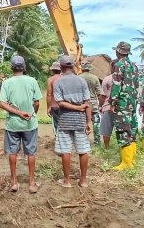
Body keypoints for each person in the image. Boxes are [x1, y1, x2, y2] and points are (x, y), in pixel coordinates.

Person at [0, 55, 42, 194]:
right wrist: (30, 113)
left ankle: (14, 183)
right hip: (30, 124)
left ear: (11, 67)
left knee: (12, 151)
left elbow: (2, 104)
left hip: (12, 124)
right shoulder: (32, 81)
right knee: (31, 152)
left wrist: (17, 113)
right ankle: (31, 183)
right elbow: (37, 103)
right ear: (24, 67)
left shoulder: (7, 83)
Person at [53, 55, 91, 188]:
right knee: (83, 150)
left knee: (65, 150)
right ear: (73, 66)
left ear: (61, 67)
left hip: (65, 120)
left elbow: (60, 103)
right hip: (80, 120)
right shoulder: (81, 81)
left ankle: (67, 180)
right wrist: (88, 121)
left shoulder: (58, 82)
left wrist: (76, 107)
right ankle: (83, 181)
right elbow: (87, 103)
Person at [109, 41, 140, 171]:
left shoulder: (119, 65)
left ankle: (126, 163)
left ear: (118, 52)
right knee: (132, 130)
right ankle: (131, 161)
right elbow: (137, 85)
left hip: (122, 103)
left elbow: (116, 85)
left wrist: (112, 102)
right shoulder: (134, 66)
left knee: (123, 131)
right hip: (132, 102)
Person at [79, 62, 104, 146]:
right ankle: (97, 141)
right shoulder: (95, 78)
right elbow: (99, 94)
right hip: (93, 104)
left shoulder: (78, 78)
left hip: (82, 104)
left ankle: (83, 141)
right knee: (96, 123)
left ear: (82, 68)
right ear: (89, 69)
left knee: (83, 122)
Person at [98, 59, 117, 148]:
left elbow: (102, 96)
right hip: (122, 108)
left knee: (106, 130)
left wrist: (100, 106)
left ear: (112, 67)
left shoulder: (108, 79)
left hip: (108, 107)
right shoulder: (126, 79)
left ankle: (107, 147)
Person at [46, 61, 62, 136]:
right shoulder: (65, 78)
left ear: (52, 70)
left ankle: (58, 140)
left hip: (54, 106)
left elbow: (49, 94)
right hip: (65, 105)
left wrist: (48, 107)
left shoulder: (50, 79)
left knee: (56, 124)